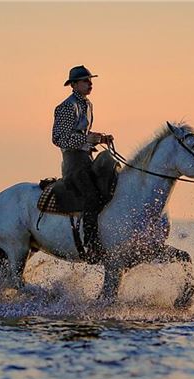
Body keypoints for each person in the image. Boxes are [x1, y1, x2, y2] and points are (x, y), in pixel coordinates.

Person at [52, 65, 112, 263]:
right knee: (92, 196)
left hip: (87, 159)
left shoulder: (88, 104)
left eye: (90, 80)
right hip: (74, 163)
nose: (90, 83)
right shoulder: (67, 106)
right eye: (86, 81)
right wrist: (88, 138)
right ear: (74, 85)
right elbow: (59, 138)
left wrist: (100, 138)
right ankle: (92, 246)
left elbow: (83, 136)